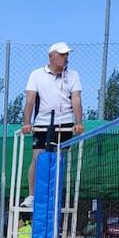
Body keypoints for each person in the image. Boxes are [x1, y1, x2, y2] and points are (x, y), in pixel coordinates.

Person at [19, 42, 85, 208]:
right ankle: (32, 195)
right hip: (42, 124)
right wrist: (27, 123)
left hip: (65, 123)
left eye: (67, 55)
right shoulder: (36, 74)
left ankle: (53, 194)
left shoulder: (73, 75)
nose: (66, 58)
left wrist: (78, 123)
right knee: (38, 158)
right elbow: (30, 99)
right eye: (62, 54)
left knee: (58, 159)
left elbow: (76, 98)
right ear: (51, 56)